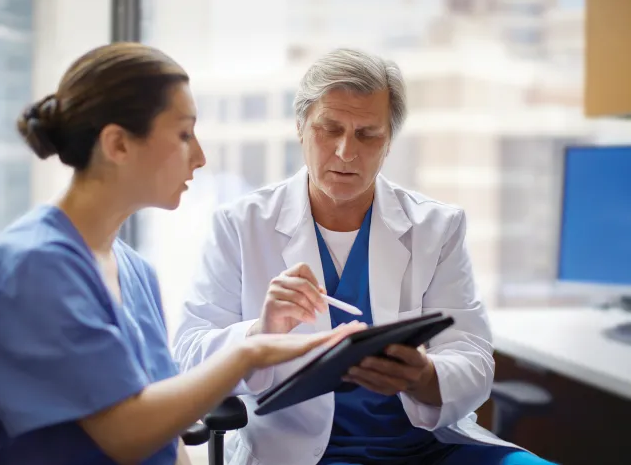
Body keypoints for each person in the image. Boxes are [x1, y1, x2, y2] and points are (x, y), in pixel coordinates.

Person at [0, 42, 365, 465]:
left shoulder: (134, 271)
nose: (199, 157)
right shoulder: (33, 266)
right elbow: (126, 435)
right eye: (183, 134)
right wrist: (249, 352)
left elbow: (164, 429)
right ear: (118, 145)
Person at [173, 48, 556, 465]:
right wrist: (259, 333)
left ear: (388, 142)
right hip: (302, 454)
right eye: (329, 129)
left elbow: (474, 360)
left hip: (429, 449)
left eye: (367, 134)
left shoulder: (437, 228)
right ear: (300, 127)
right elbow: (188, 355)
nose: (344, 152)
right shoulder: (241, 225)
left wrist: (427, 376)